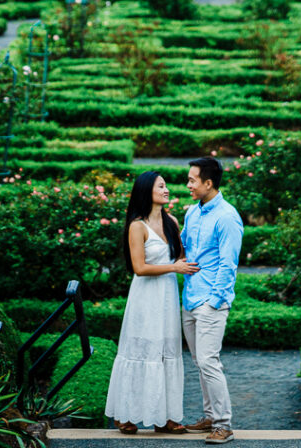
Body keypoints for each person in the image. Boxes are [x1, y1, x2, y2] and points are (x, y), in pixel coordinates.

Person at [105, 171, 200, 435]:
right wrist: (174, 267)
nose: (167, 189)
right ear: (147, 191)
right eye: (161, 186)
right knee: (140, 351)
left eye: (167, 185)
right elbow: (139, 267)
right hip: (146, 298)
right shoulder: (137, 225)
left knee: (166, 351)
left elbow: (181, 256)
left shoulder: (171, 221)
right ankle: (127, 414)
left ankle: (165, 417)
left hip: (168, 295)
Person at [181, 157, 243, 445]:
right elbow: (183, 247)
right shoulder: (192, 213)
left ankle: (223, 424)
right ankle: (209, 416)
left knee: (209, 360)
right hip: (189, 298)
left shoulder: (227, 217)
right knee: (199, 361)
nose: (188, 184)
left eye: (193, 180)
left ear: (209, 183)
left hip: (210, 301)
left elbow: (228, 265)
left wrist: (215, 301)